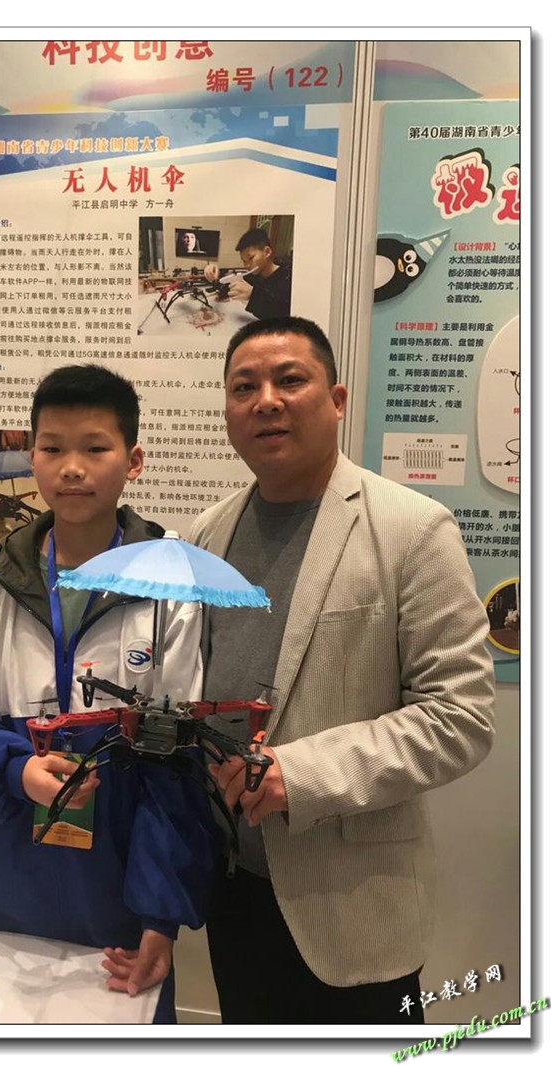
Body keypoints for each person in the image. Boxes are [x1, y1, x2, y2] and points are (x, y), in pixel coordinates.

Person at [189, 316, 495, 1024]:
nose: (266, 400)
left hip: (353, 904)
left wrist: (300, 774)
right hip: (234, 889)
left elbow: (460, 718)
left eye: (289, 379)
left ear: (336, 399)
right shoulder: (209, 533)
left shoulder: (412, 529)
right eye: (244, 387)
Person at [0, 364, 217, 1023]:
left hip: (119, 908)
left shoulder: (173, 587)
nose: (72, 467)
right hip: (6, 894)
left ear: (133, 460)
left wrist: (160, 916)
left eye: (95, 447)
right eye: (52, 447)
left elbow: (177, 764)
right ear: (33, 457)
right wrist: (16, 770)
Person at [205, 227, 292, 320]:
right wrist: (216, 276)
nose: (247, 265)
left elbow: (286, 314)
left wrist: (252, 295)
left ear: (267, 252)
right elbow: (227, 290)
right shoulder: (253, 277)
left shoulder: (288, 278)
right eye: (244, 261)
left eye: (250, 258)